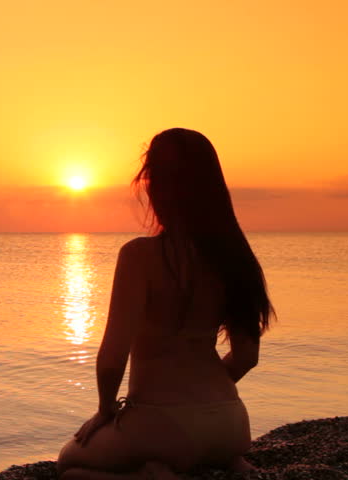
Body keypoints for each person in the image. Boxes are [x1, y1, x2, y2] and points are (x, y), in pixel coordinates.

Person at [56, 128, 275, 480]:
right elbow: (247, 356)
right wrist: (204, 401)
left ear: (154, 186)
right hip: (232, 424)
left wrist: (105, 411)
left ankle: (152, 472)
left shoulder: (139, 256)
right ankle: (223, 463)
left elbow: (113, 358)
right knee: (188, 448)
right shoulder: (237, 258)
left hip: (162, 425)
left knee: (69, 464)